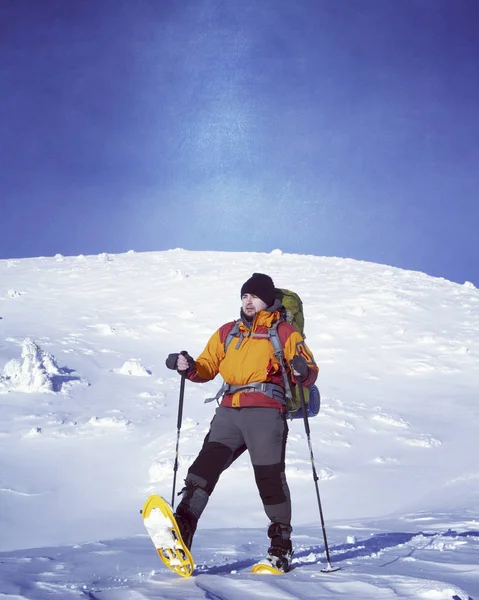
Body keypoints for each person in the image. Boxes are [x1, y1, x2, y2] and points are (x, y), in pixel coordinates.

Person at [166, 272, 318, 572]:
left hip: (265, 412)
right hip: (228, 412)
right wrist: (187, 365)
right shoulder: (227, 331)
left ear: (268, 300)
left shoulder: (285, 332)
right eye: (245, 296)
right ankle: (182, 529)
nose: (248, 301)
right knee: (202, 470)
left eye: (254, 296)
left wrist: (302, 369)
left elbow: (308, 368)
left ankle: (280, 547)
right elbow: (207, 367)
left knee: (270, 481)